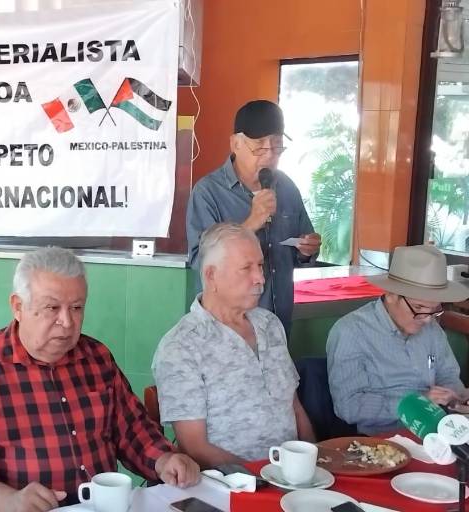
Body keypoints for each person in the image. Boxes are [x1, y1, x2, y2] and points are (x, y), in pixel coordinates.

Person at [0, 247, 199, 512]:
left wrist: (164, 459)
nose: (68, 322)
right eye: (52, 307)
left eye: (77, 308)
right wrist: (7, 500)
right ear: (18, 306)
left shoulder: (96, 357)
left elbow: (131, 428)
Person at [152, 223, 315, 467]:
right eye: (246, 268)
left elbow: (294, 407)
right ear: (211, 276)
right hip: (231, 482)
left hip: (291, 475)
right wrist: (260, 479)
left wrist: (312, 461)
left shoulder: (270, 324)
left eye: (260, 266)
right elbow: (195, 448)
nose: (260, 278)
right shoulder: (182, 346)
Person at [186, 99, 321, 336]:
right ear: (236, 144)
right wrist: (250, 223)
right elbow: (201, 262)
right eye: (259, 147)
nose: (269, 156)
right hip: (225, 327)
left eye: (276, 147)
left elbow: (299, 253)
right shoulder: (208, 192)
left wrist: (306, 250)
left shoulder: (287, 188)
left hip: (278, 324)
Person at [327, 244, 469, 435]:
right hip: (385, 439)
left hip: (441, 429)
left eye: (434, 310)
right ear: (391, 295)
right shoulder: (351, 331)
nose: (427, 319)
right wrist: (416, 403)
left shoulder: (431, 327)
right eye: (418, 308)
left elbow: (448, 375)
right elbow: (348, 406)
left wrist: (454, 398)